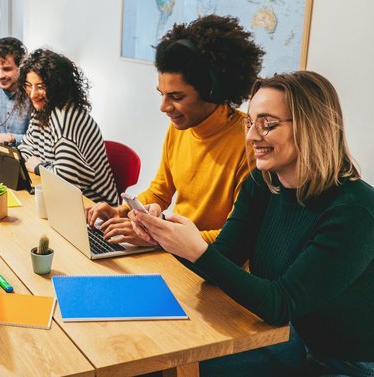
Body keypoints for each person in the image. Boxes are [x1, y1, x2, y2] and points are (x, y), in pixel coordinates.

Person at [130, 71, 374, 377]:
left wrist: (197, 251)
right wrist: (164, 235)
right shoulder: (263, 183)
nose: (251, 137)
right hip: (280, 336)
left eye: (267, 124)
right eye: (250, 122)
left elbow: (281, 302)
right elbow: (225, 258)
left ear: (313, 128)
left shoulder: (355, 211)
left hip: (341, 362)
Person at [88, 15, 263, 246]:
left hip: (211, 263)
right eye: (162, 94)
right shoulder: (180, 128)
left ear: (212, 91)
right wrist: (121, 211)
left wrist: (160, 237)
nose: (164, 107)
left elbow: (237, 238)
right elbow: (160, 192)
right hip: (173, 250)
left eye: (176, 97)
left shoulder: (250, 144)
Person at [17, 48, 118, 205]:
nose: (32, 94)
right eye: (28, 85)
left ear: (57, 85)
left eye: (41, 86)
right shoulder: (43, 109)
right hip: (61, 197)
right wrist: (44, 165)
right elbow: (25, 148)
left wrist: (39, 167)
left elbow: (66, 179)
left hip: (93, 207)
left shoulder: (65, 118)